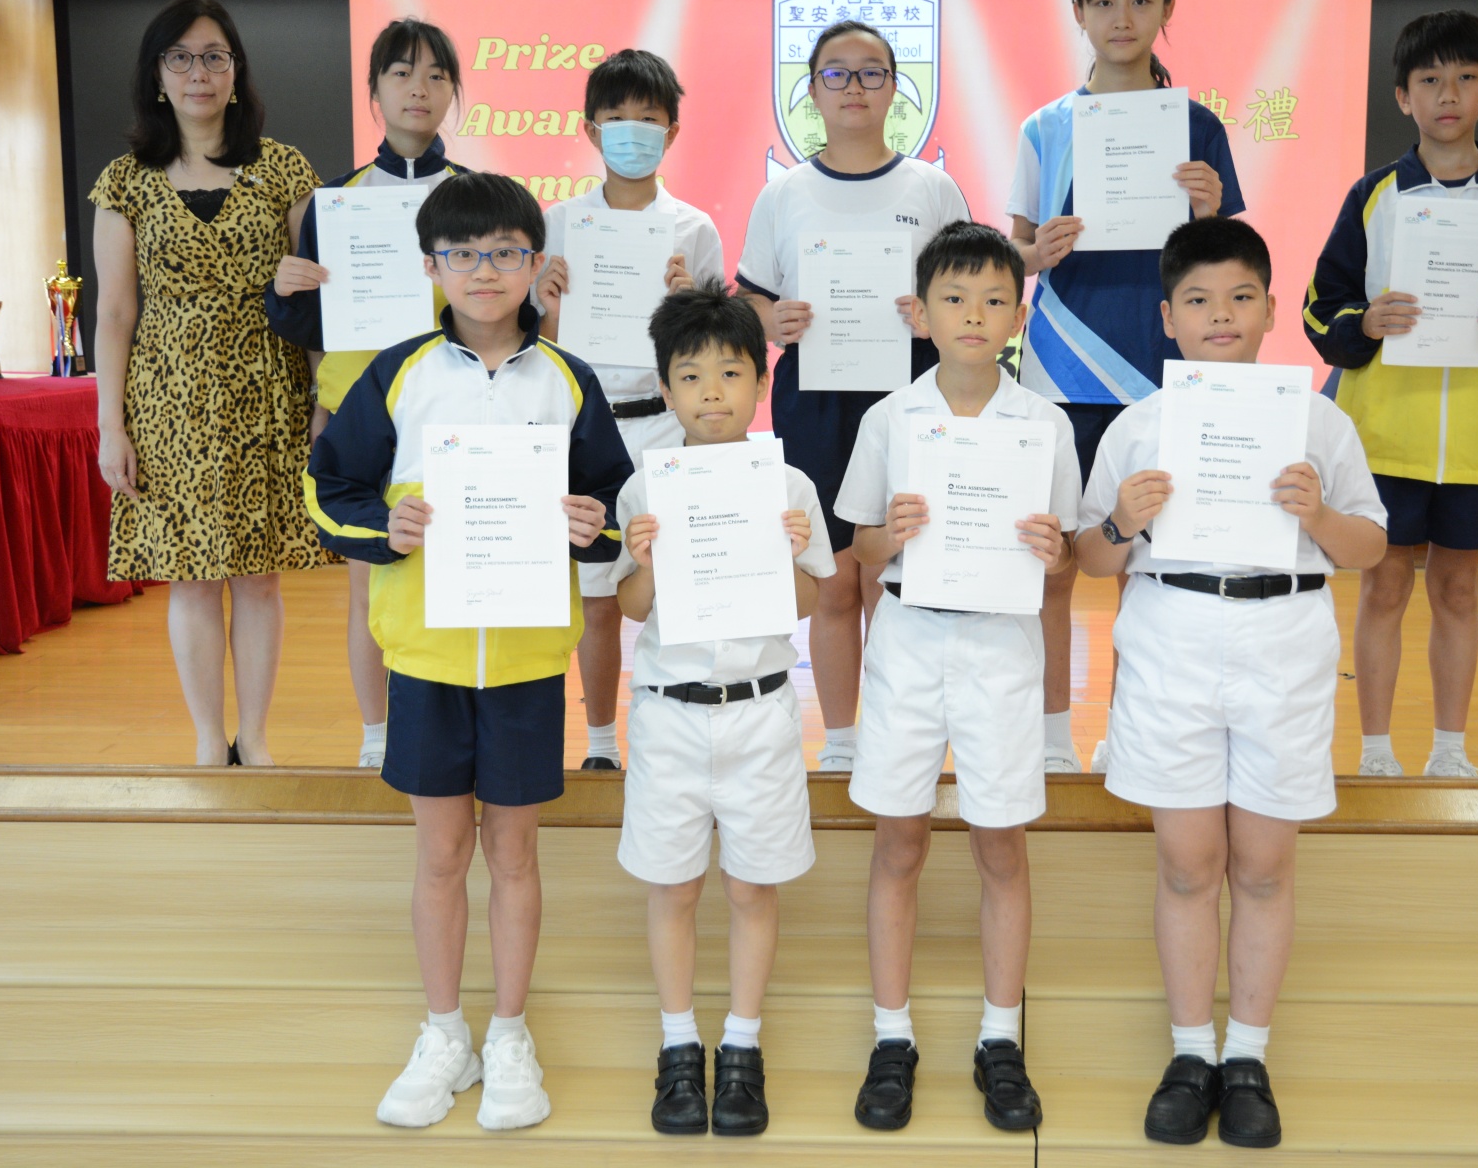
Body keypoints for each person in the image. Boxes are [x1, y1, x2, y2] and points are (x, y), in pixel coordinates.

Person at [303, 171, 633, 1131]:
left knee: (515, 855)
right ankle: (444, 1030)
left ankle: (511, 1033)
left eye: (504, 253)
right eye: (462, 254)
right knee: (442, 853)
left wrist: (592, 526)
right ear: (430, 267)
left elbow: (615, 505)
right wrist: (387, 527)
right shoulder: (398, 372)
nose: (484, 271)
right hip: (427, 660)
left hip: (526, 665)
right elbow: (330, 486)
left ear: (536, 264)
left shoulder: (568, 380)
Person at [1075, 217, 1387, 1149]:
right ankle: (1189, 1053)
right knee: (1185, 864)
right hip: (1171, 639)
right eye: (1200, 300)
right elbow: (1091, 558)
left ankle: (1246, 1055)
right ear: (1168, 317)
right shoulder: (1139, 425)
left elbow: (1370, 547)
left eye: (1241, 297)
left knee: (1262, 865)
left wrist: (1318, 515)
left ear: (1271, 309)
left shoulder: (1319, 421)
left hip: (1283, 642)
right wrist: (1122, 522)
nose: (1221, 315)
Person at [834, 222, 1080, 1134]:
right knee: (898, 843)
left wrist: (1054, 550)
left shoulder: (1045, 424)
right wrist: (888, 535)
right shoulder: (888, 419)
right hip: (907, 638)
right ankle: (890, 1035)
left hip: (1001, 646)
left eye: (993, 299)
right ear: (922, 312)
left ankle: (999, 1036)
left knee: (1000, 847)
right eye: (954, 298)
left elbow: (1067, 558)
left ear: (1018, 315)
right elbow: (860, 548)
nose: (974, 314)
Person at [1303, 10, 1478, 778]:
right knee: (1384, 590)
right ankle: (1377, 752)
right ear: (1402, 96)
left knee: (1458, 592)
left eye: (1464, 78)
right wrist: (1366, 321)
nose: (1446, 95)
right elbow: (1321, 309)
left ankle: (1450, 752)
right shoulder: (1374, 194)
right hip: (1387, 436)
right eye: (1429, 80)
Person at [1007, 0, 1244, 775]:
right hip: (1061, 370)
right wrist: (1037, 253)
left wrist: (1211, 213)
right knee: (1056, 563)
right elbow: (1013, 254)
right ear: (1079, 13)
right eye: (1104, 1)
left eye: (1141, 0)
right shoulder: (1046, 128)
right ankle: (1049, 739)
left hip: (1162, 370)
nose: (1122, 17)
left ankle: (1132, 732)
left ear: (1167, 10)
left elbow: (1223, 265)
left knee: (1148, 562)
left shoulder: (1199, 126)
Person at [608, 283, 833, 1136]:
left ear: (760, 384)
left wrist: (797, 555)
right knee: (673, 886)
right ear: (665, 390)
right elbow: (631, 610)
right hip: (669, 715)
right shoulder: (646, 489)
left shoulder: (790, 484)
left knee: (750, 887)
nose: (712, 392)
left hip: (761, 713)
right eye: (691, 376)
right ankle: (678, 1046)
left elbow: (809, 605)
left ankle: (742, 1044)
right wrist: (645, 562)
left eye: (732, 373)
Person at [91, 0, 324, 767]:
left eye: (215, 57)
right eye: (181, 57)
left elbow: (316, 301)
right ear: (157, 75)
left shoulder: (284, 168)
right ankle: (204, 740)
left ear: (236, 71)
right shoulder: (125, 181)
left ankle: (254, 738)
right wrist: (110, 426)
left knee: (259, 579)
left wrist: (322, 400)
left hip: (268, 393)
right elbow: (114, 313)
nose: (199, 72)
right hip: (169, 403)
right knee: (190, 580)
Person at [735, 19, 972, 773]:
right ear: (812, 91)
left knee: (896, 580)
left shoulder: (931, 188)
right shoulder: (783, 194)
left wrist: (933, 313)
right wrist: (770, 318)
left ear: (896, 88)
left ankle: (900, 740)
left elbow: (971, 292)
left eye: (871, 72)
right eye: (835, 73)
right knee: (835, 581)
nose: (854, 87)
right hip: (817, 400)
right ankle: (840, 744)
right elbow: (751, 299)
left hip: (915, 399)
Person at [264, 17, 473, 768]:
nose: (420, 88)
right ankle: (377, 735)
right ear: (375, 90)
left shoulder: (476, 197)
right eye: (402, 72)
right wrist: (286, 289)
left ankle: (449, 725)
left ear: (453, 93)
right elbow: (308, 324)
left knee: (456, 577)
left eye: (437, 75)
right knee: (369, 586)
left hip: (456, 417)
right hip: (360, 422)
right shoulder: (337, 201)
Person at [536, 48, 725, 772]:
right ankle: (601, 745)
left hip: (667, 426)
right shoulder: (559, 224)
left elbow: (713, 348)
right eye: (617, 118)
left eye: (648, 119)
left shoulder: (693, 228)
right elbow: (536, 346)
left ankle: (675, 729)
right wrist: (549, 308)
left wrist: (689, 304)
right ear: (591, 130)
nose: (632, 131)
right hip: (586, 428)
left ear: (671, 132)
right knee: (597, 599)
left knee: (671, 583)